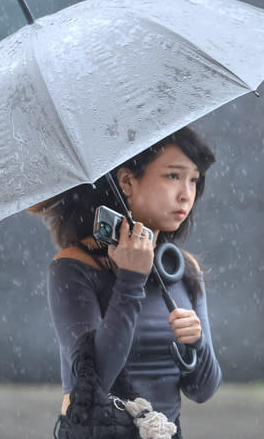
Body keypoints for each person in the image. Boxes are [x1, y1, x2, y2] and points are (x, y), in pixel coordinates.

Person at [28, 126, 222, 436]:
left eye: (194, 180)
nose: (186, 193)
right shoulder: (74, 267)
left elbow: (203, 390)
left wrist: (195, 343)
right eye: (173, 176)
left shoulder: (182, 270)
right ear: (128, 182)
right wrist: (131, 280)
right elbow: (95, 379)